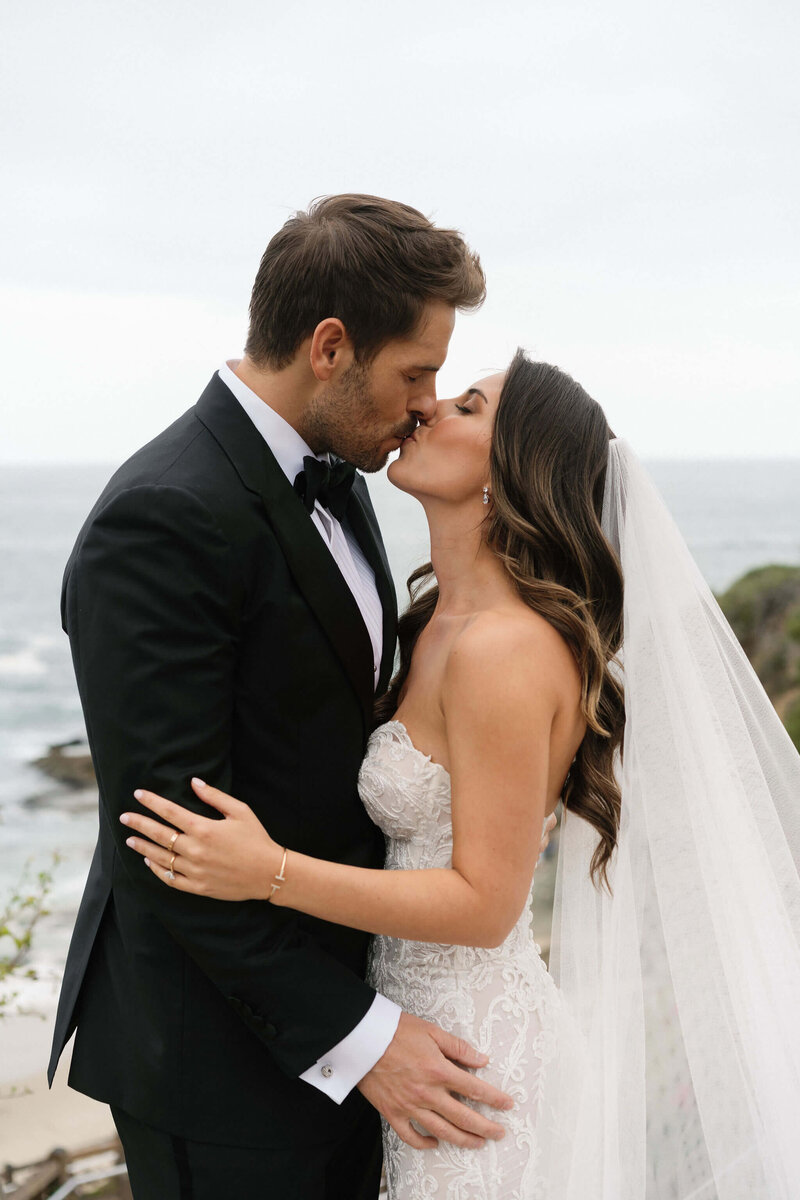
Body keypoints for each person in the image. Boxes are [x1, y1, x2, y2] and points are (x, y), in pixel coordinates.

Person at [124, 350, 800, 1198]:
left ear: (511, 471)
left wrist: (272, 874)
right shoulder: (438, 620)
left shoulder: (503, 651)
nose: (432, 408)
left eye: (469, 406)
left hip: (475, 1063)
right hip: (417, 1044)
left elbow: (486, 904)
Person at [48, 195, 549, 1200]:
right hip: (218, 1063)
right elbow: (170, 845)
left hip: (367, 1020)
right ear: (329, 346)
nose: (424, 403)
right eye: (415, 373)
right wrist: (364, 1042)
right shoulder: (164, 516)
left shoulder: (348, 474)